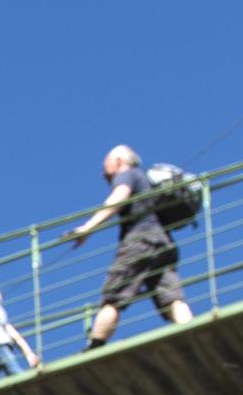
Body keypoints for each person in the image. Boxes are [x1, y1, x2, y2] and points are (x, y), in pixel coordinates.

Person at [70, 145, 194, 348]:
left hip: (139, 241)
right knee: (171, 298)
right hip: (163, 243)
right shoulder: (145, 180)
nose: (103, 173)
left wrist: (88, 227)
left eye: (105, 165)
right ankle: (192, 332)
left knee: (112, 297)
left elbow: (118, 197)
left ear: (119, 161)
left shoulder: (127, 174)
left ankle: (95, 348)